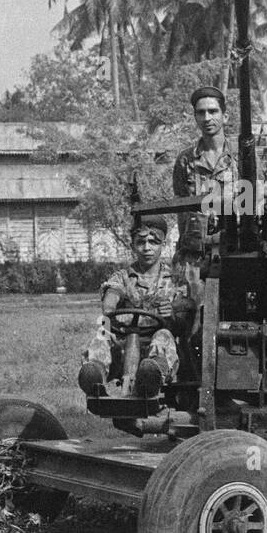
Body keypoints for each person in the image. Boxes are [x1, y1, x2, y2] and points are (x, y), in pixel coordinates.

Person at [77, 215, 184, 399]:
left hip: (157, 344)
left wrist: (173, 312)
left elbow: (184, 317)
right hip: (123, 346)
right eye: (141, 242)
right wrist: (109, 306)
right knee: (103, 334)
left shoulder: (174, 281)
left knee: (163, 336)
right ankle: (94, 377)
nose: (147, 248)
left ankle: (151, 378)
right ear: (133, 245)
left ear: (163, 244)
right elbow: (112, 294)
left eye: (153, 242)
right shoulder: (123, 277)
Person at [171, 86, 237, 290]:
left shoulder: (242, 158)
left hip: (233, 253)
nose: (207, 118)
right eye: (201, 112)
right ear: (195, 118)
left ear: (225, 116)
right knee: (185, 315)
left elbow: (258, 204)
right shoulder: (185, 160)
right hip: (193, 257)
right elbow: (181, 209)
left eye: (213, 111)